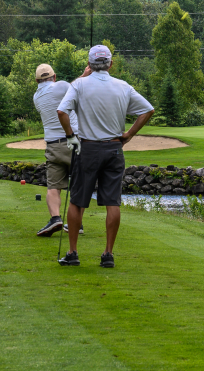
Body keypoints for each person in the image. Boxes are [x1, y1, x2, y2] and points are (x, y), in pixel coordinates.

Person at [56, 45, 154, 268]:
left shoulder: (78, 85)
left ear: (89, 65)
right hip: (114, 150)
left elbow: (62, 111)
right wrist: (128, 134)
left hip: (87, 149)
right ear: (111, 64)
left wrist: (70, 136)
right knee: (112, 201)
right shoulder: (123, 86)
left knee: (77, 199)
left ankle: (73, 252)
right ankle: (108, 254)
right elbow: (148, 110)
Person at [32, 63, 80, 237]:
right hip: (74, 141)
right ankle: (77, 224)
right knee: (78, 185)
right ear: (54, 76)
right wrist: (84, 73)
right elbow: (76, 88)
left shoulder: (36, 97)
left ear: (37, 80)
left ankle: (55, 218)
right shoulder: (61, 85)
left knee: (53, 186)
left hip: (52, 145)